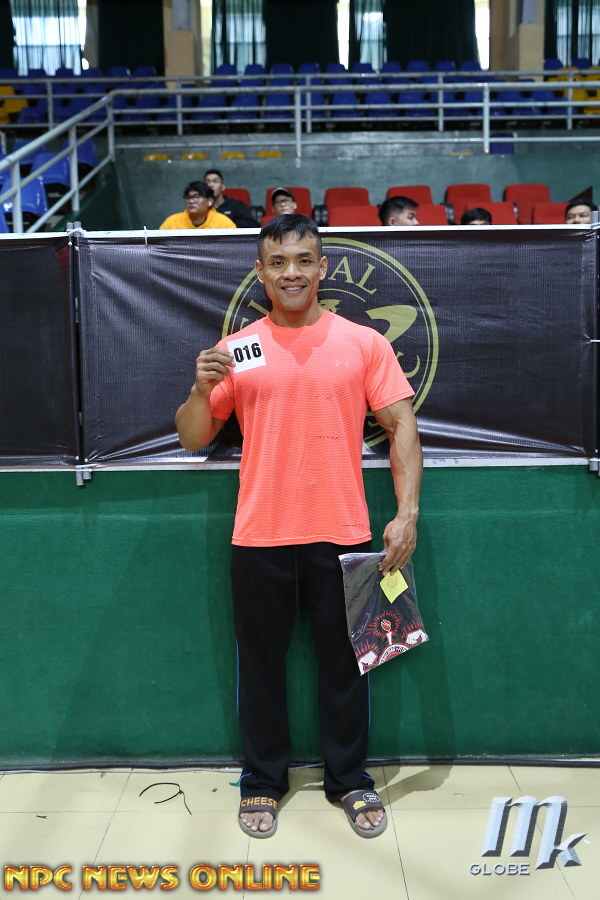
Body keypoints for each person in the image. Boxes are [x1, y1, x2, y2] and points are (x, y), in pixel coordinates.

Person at [175, 214, 422, 840]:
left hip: (344, 530)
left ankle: (351, 780)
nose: (292, 272)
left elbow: (402, 426)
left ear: (321, 268)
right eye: (279, 262)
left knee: (346, 666)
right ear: (261, 272)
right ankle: (262, 780)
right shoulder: (240, 348)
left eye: (304, 260)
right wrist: (201, 392)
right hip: (259, 533)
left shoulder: (363, 343)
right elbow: (193, 437)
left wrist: (407, 514)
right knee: (261, 668)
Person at [159, 182, 236, 230]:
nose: (191, 201)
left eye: (196, 197)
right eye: (188, 197)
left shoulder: (224, 224)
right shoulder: (172, 222)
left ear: (210, 201)